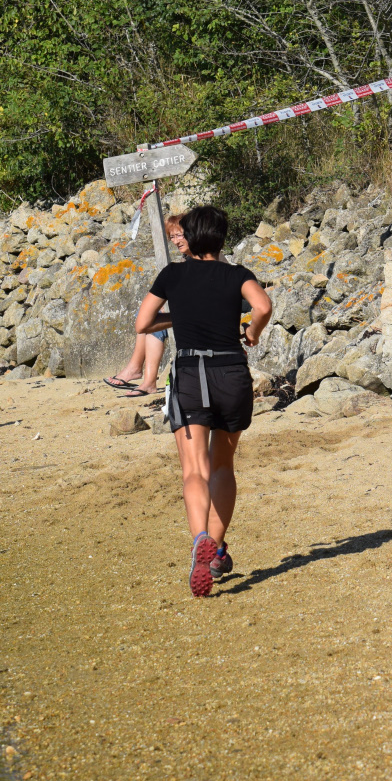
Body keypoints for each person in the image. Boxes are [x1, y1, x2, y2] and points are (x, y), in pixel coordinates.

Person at [135, 205, 272, 597]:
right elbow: (263, 307)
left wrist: (176, 318)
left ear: (191, 237)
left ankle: (200, 539)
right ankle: (217, 550)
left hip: (191, 375)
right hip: (231, 373)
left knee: (193, 470)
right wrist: (252, 333)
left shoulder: (172, 275)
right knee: (223, 465)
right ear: (221, 238)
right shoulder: (237, 274)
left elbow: (143, 324)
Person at [105, 214, 187, 397]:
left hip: (198, 316)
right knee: (147, 315)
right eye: (172, 237)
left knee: (152, 321)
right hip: (187, 312)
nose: (175, 241)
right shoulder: (186, 259)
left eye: (179, 235)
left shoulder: (203, 258)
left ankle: (142, 375)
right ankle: (138, 371)